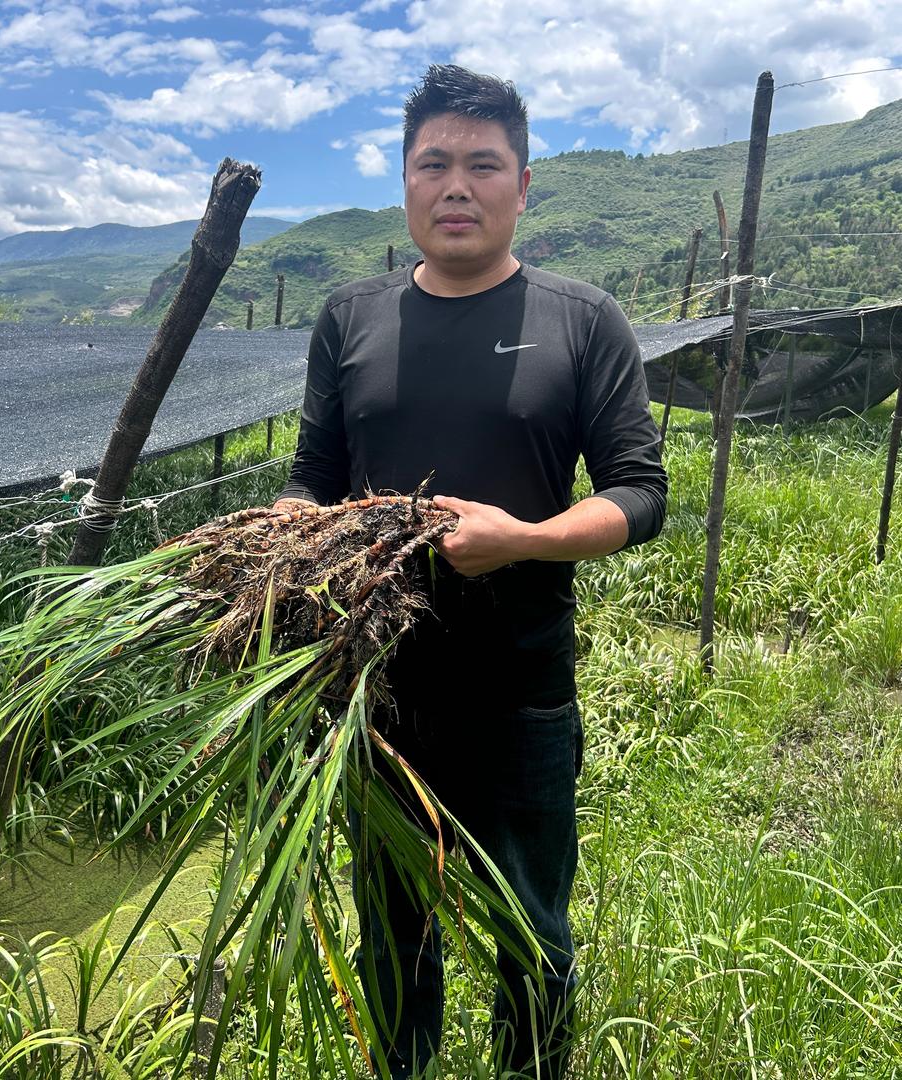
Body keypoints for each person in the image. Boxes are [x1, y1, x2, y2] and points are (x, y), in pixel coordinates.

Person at [275, 64, 667, 1079]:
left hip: (522, 693)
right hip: (378, 699)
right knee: (394, 938)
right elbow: (311, 480)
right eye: (433, 164)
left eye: (482, 165)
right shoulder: (349, 318)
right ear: (404, 184)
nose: (457, 186)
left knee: (531, 937)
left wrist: (522, 540)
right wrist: (279, 543)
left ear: (523, 186)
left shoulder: (582, 320)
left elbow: (639, 492)